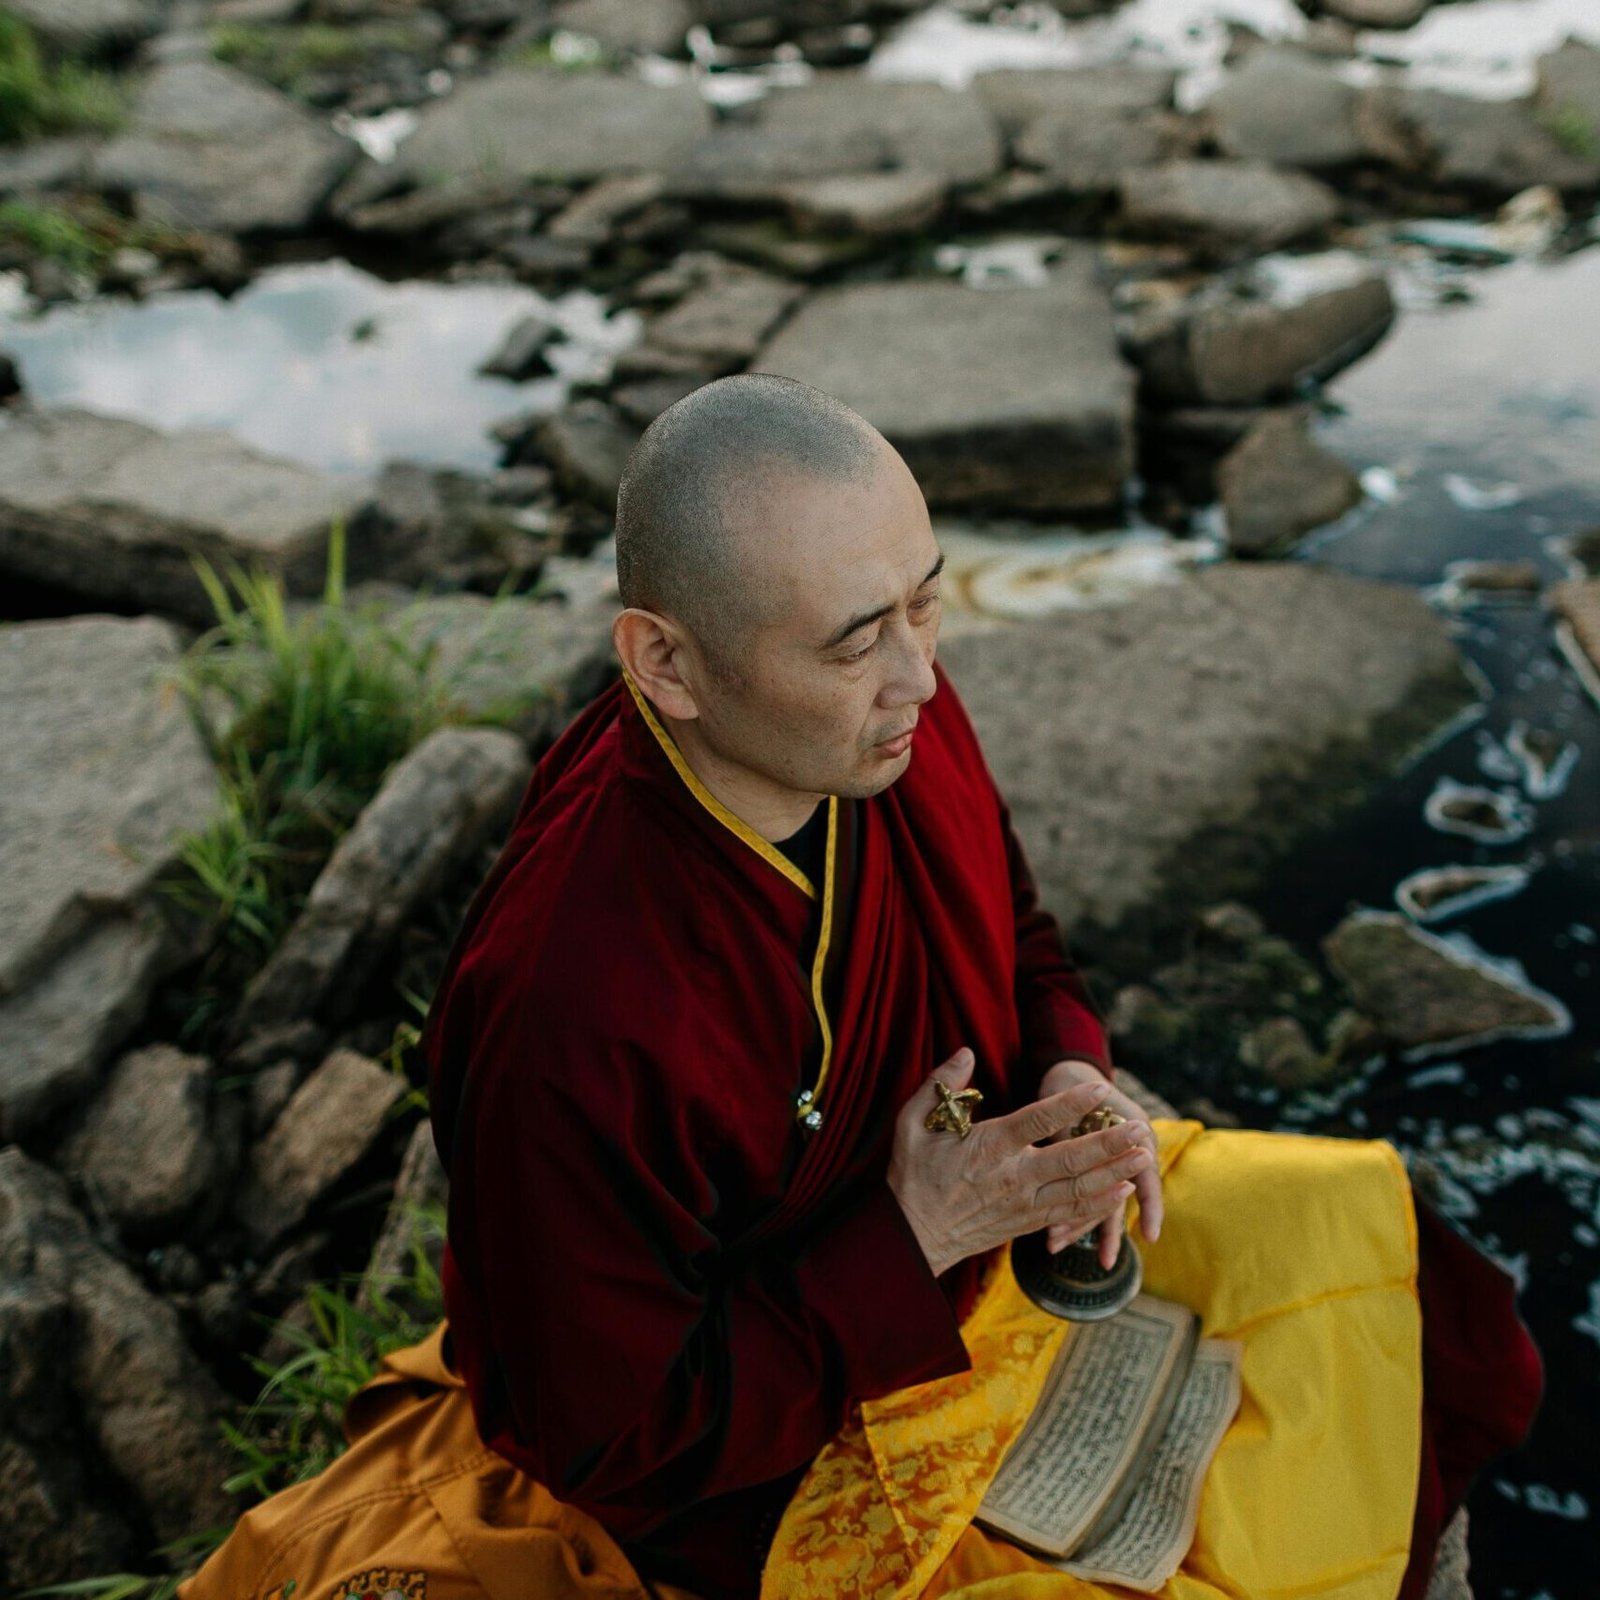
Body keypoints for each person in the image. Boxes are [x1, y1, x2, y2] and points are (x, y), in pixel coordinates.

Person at [180, 373, 1542, 1600]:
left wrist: (1069, 1071)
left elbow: (1015, 928)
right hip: (774, 1445)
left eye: (929, 597)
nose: (923, 674)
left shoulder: (881, 726)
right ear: (667, 662)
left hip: (968, 1248)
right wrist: (915, 1235)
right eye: (853, 640)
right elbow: (611, 1439)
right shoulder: (575, 1008)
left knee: (1374, 1252)